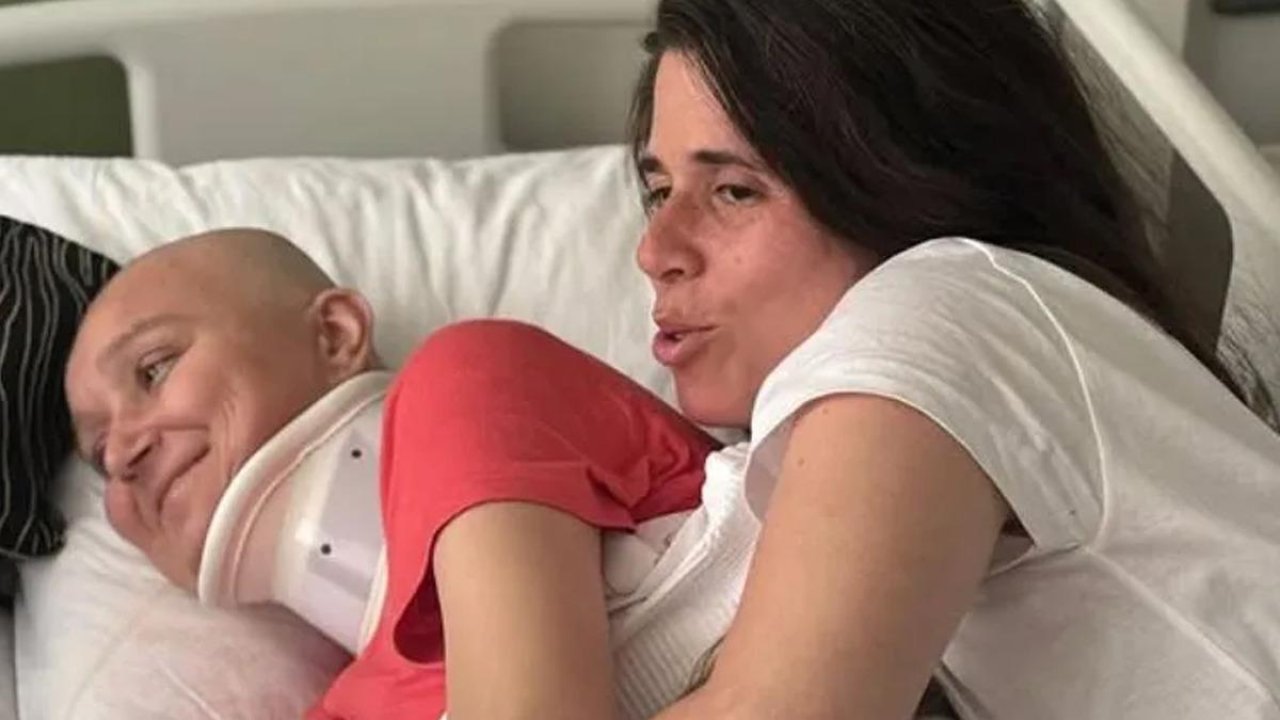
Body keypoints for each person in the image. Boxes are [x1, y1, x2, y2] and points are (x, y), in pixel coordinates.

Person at [409, 0, 1280, 719]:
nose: (655, 250)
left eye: (734, 190)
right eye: (659, 191)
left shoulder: (945, 308)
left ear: (896, 182)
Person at [63, 228, 722, 720]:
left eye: (154, 369)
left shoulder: (468, 377)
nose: (120, 455)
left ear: (335, 334)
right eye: (97, 453)